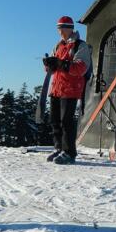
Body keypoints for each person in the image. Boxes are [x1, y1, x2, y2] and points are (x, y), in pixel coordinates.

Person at [42, 16, 92, 165]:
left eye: (62, 28)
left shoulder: (80, 46)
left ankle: (69, 152)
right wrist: (48, 64)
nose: (60, 32)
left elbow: (81, 68)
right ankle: (59, 148)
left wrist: (61, 63)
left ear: (69, 28)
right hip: (57, 88)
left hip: (71, 89)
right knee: (55, 121)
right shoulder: (58, 46)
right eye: (58, 29)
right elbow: (51, 70)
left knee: (66, 121)